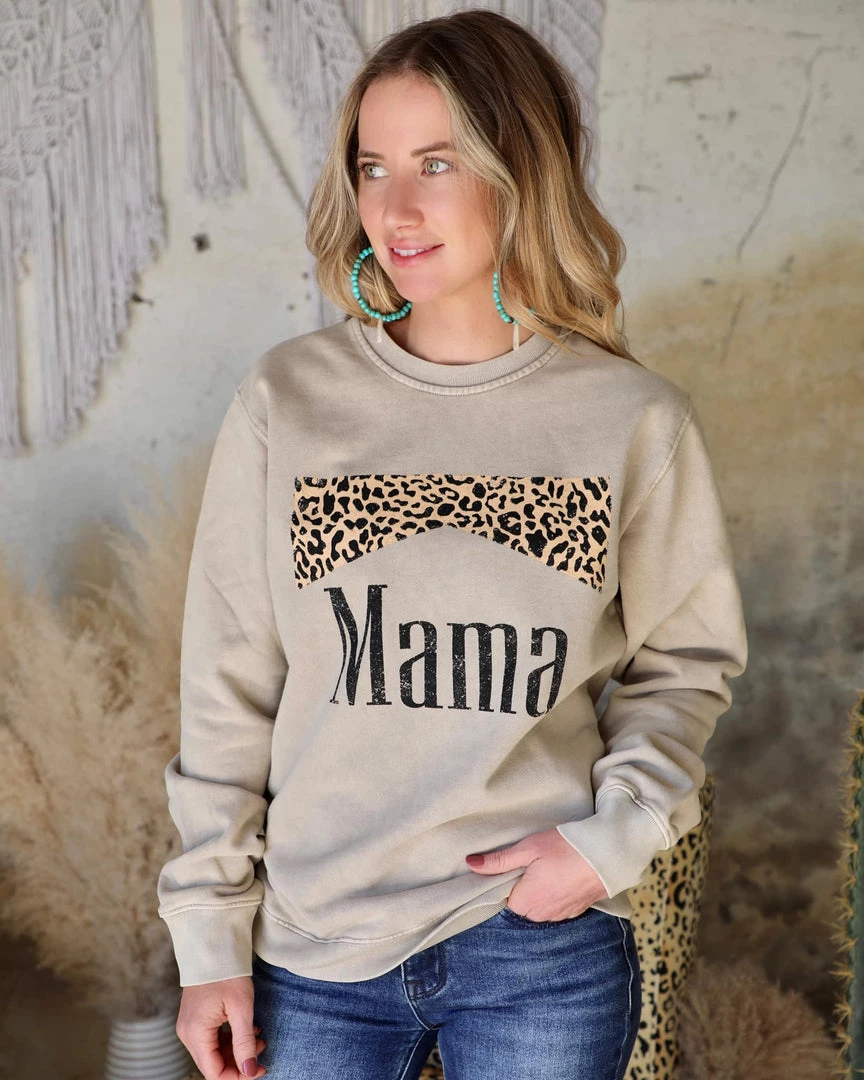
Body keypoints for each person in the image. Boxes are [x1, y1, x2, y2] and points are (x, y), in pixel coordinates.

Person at [156, 9, 748, 1080]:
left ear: (522, 170)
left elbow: (685, 665)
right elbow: (227, 685)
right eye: (373, 166)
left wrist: (605, 844)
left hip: (537, 942)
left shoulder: (632, 420)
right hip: (314, 946)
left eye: (439, 162)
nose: (397, 207)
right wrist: (209, 939)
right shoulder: (289, 400)